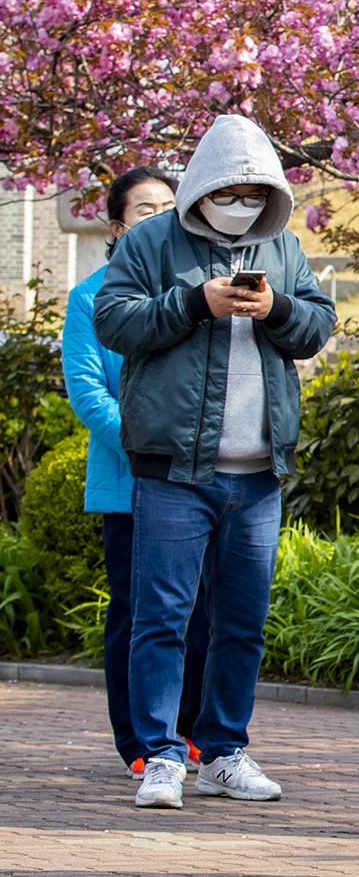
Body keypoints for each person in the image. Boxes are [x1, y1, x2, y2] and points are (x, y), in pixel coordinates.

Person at [95, 114, 337, 810]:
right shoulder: (148, 241)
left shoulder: (284, 244)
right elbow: (114, 320)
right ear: (200, 185)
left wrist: (276, 305)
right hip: (174, 467)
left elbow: (318, 324)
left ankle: (225, 750)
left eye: (254, 190)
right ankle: (161, 754)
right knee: (162, 615)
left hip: (260, 470)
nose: (241, 201)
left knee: (242, 618)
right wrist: (193, 302)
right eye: (229, 189)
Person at [64, 167, 213, 778]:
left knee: (200, 611)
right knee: (136, 614)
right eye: (144, 208)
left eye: (169, 207)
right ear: (117, 225)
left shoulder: (198, 285)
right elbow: (87, 393)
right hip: (130, 484)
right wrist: (150, 438)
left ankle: (191, 732)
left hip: (197, 479)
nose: (159, 217)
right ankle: (140, 744)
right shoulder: (90, 295)